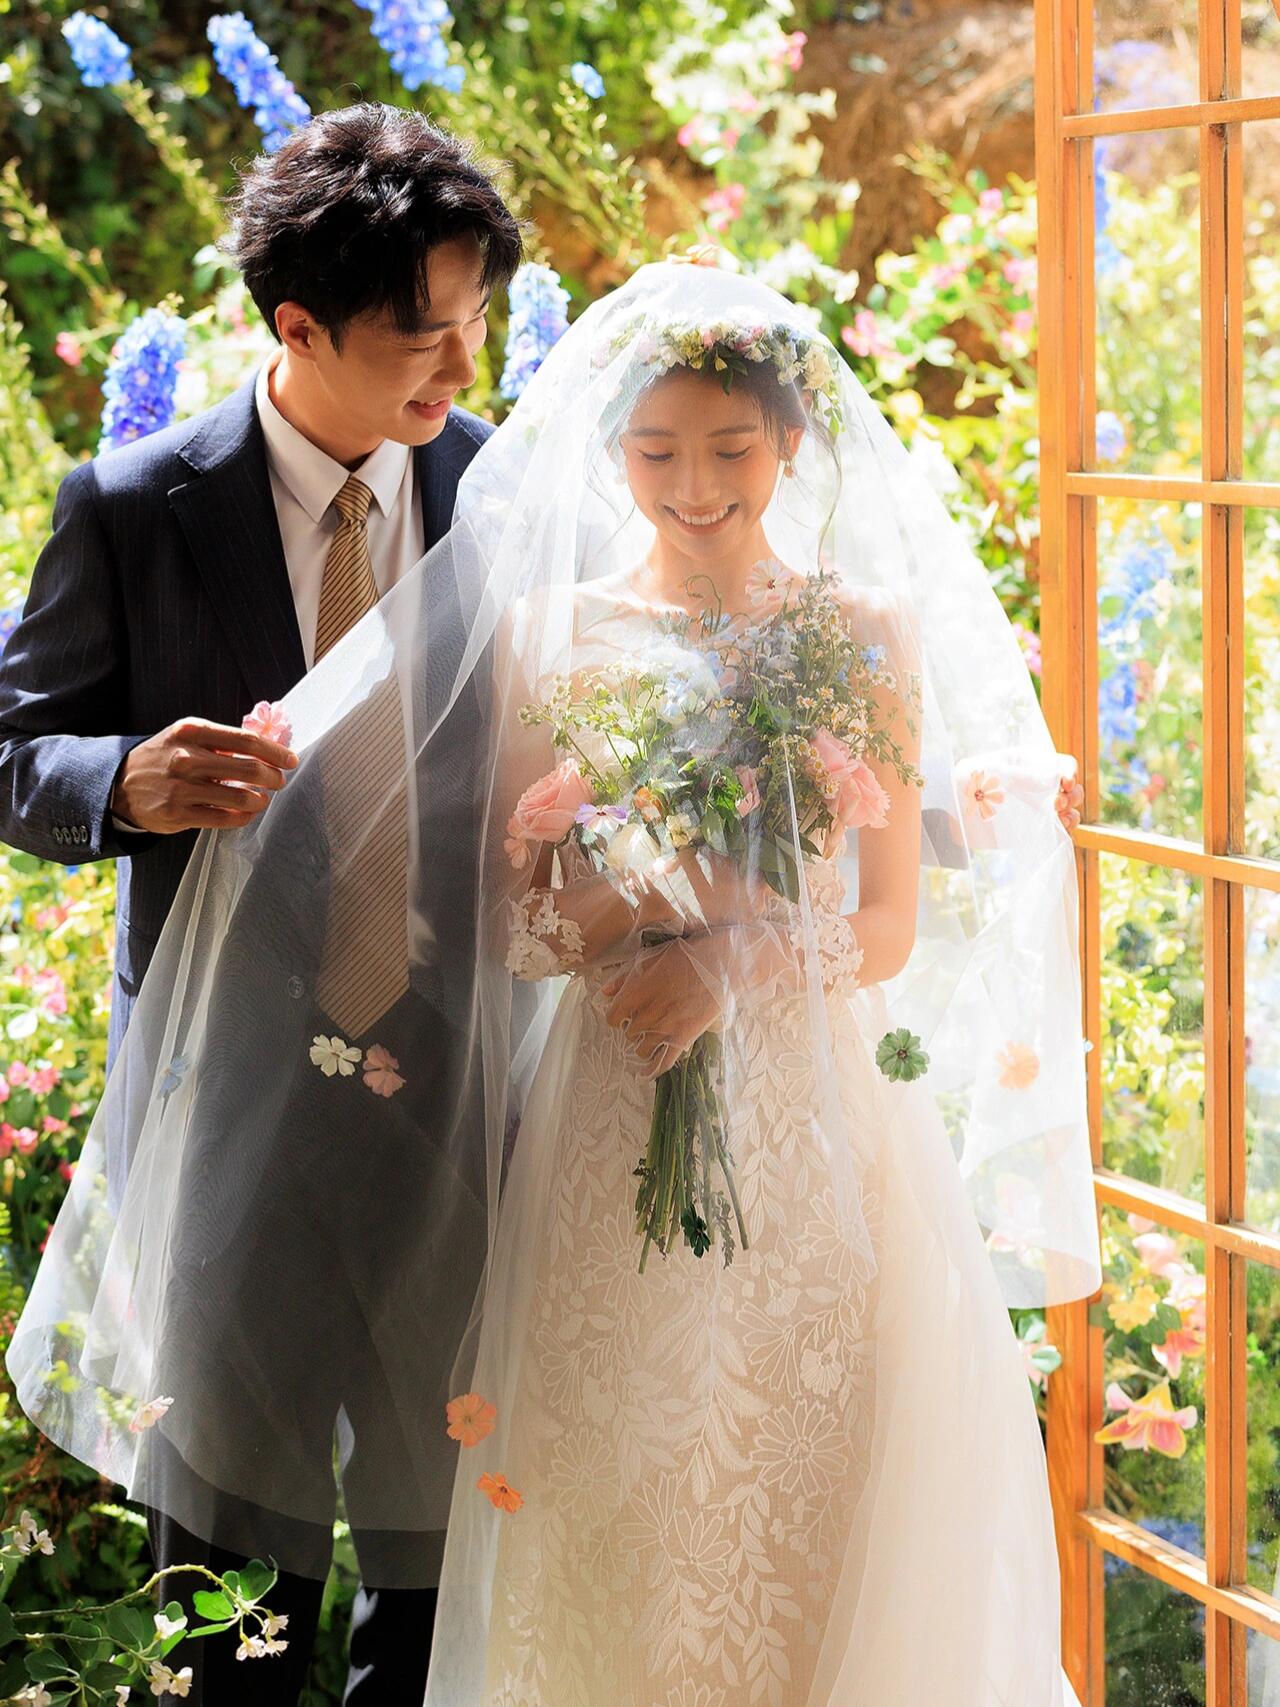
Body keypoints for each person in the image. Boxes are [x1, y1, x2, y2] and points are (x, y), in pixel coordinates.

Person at [11, 256, 1099, 1704]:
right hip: (591, 1107)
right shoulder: (549, 625)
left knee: (806, 1470)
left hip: (817, 1122)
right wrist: (665, 882)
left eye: (732, 450)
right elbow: (521, 920)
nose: (693, 486)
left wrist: (735, 942)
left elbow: (882, 918)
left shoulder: (863, 630)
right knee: (603, 1484)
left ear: (792, 443)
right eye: (655, 453)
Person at [0, 103, 521, 1705]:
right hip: (225, 1116)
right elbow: (11, 753)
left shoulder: (508, 493)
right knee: (227, 1610)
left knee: (442, 1601)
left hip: (464, 1109)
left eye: (477, 320)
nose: (463, 366)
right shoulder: (132, 504)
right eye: (423, 336)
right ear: (297, 327)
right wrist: (125, 782)